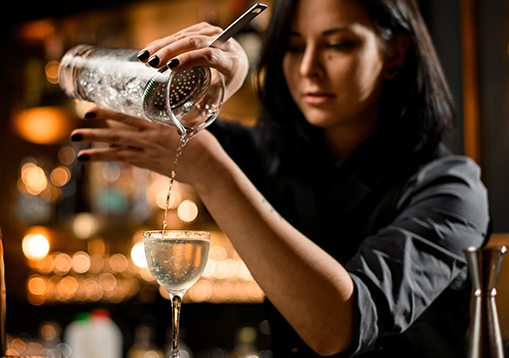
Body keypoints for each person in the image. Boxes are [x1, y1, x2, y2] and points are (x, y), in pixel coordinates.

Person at [69, 0, 490, 356]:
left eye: (338, 45)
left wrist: (214, 175)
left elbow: (340, 327)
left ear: (395, 53)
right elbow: (136, 107)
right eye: (292, 47)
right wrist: (218, 83)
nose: (308, 68)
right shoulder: (270, 154)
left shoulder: (451, 188)